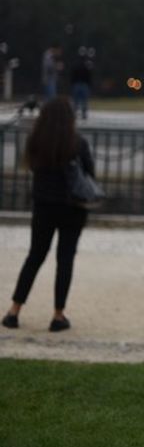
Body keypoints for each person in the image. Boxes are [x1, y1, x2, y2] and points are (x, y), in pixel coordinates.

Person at [2, 96, 95, 333]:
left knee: (35, 257)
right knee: (65, 260)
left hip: (43, 205)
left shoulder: (36, 141)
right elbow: (89, 172)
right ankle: (58, 314)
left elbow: (34, 169)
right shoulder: (77, 143)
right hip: (72, 207)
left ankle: (14, 310)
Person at [70, 47, 94, 120]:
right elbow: (89, 75)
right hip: (83, 85)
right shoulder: (87, 63)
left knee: (77, 102)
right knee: (83, 101)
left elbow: (72, 74)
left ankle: (75, 114)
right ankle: (83, 115)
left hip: (78, 84)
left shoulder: (76, 63)